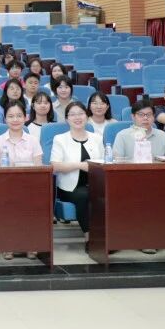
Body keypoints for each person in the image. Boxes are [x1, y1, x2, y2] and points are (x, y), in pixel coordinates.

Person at [50, 101, 103, 239]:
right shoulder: (60, 139)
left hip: (95, 184)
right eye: (72, 114)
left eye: (81, 113)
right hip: (69, 187)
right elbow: (55, 166)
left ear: (87, 116)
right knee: (84, 196)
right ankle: (90, 238)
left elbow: (104, 162)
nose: (77, 117)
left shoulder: (97, 138)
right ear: (67, 119)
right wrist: (80, 165)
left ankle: (109, 237)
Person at [0, 101, 43, 167]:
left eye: (19, 116)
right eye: (11, 116)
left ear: (25, 118)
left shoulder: (33, 141)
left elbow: (38, 168)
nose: (15, 120)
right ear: (5, 119)